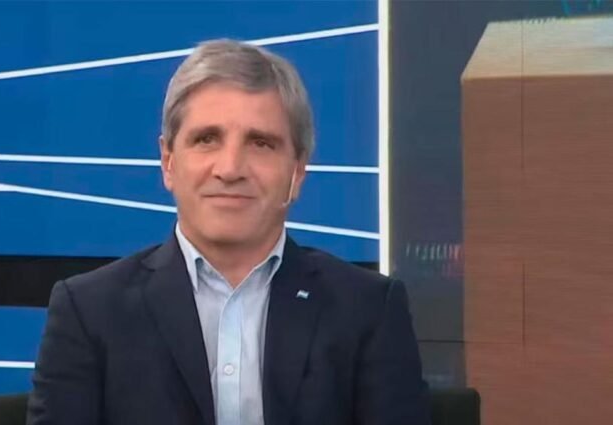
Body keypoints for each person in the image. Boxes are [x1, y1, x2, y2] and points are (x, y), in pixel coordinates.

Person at [27, 39, 430, 425]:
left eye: (261, 143)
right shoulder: (89, 312)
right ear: (168, 162)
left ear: (298, 172)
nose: (230, 168)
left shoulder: (369, 310)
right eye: (207, 139)